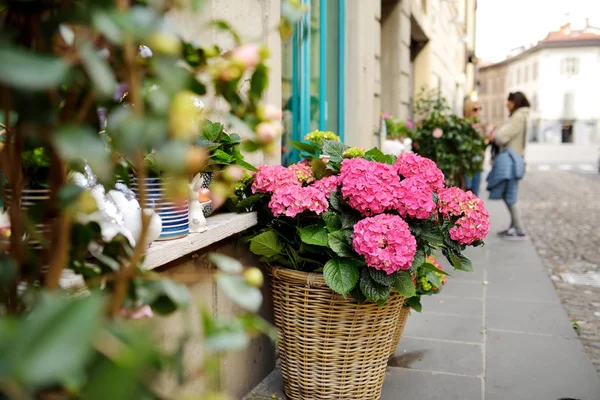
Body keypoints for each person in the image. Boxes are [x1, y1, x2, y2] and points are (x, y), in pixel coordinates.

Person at [487, 92, 530, 240]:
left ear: (514, 102)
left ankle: (519, 228)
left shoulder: (518, 117)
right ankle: (514, 227)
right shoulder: (522, 115)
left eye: (508, 103)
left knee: (510, 196)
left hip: (511, 161)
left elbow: (501, 136)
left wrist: (495, 134)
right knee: (509, 194)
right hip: (515, 160)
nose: (507, 106)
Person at [463, 97, 494, 197]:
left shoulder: (482, 124)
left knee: (475, 193)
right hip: (466, 164)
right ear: (468, 110)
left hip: (478, 163)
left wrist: (488, 137)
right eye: (475, 109)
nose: (478, 111)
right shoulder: (463, 125)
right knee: (467, 189)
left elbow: (486, 141)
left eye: (480, 109)